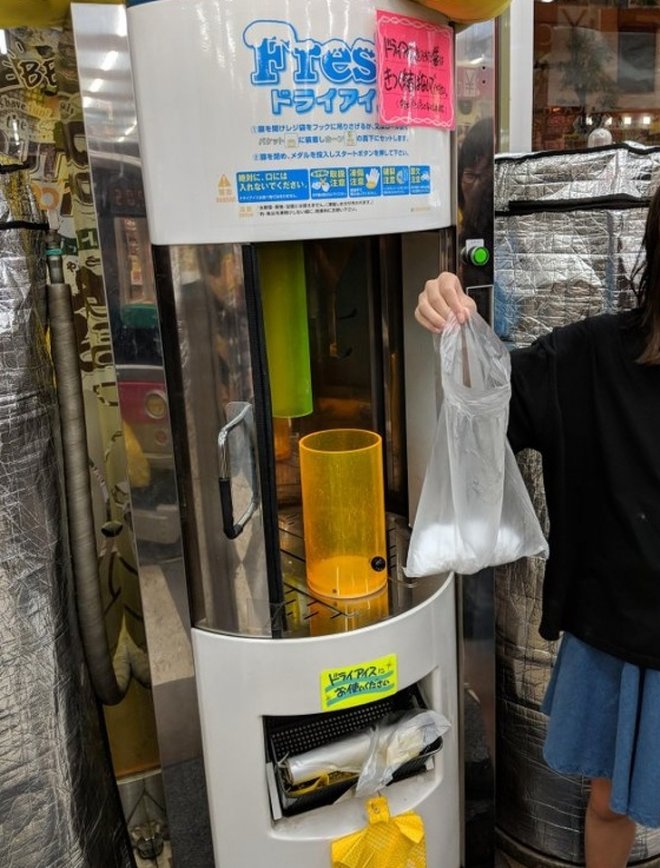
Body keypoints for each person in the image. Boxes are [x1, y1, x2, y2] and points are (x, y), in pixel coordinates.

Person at [415, 185, 660, 868]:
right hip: (616, 632)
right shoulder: (593, 359)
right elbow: (489, 400)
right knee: (609, 803)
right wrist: (450, 315)